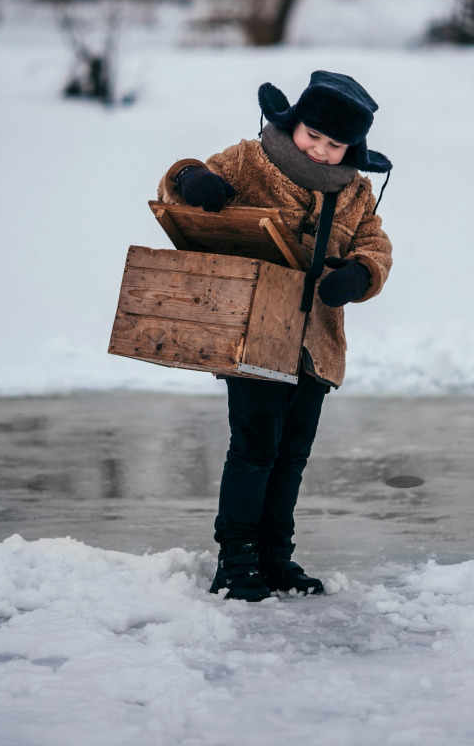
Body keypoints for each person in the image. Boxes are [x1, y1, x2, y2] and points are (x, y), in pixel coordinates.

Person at [157, 71, 392, 600]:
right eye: (315, 136)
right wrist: (195, 182)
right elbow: (181, 175)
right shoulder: (251, 158)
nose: (322, 151)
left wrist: (361, 272)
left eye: (336, 145)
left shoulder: (355, 191)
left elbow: (377, 245)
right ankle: (236, 559)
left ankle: (274, 556)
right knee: (255, 447)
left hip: (316, 343)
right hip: (255, 332)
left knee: (291, 452)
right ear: (296, 123)